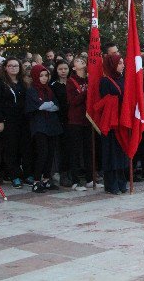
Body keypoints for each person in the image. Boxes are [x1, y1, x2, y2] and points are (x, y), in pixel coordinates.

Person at [0, 57, 31, 188]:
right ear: (5, 68)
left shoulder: (23, 82)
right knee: (11, 149)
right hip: (8, 121)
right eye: (10, 66)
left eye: (16, 66)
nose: (14, 68)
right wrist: (0, 121)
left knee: (25, 148)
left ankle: (27, 174)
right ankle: (14, 176)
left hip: (23, 120)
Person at [25, 65, 64, 193]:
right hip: (39, 125)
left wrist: (47, 105)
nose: (44, 78)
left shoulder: (49, 89)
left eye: (46, 75)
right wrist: (46, 105)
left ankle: (46, 179)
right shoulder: (32, 90)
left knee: (50, 153)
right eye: (41, 76)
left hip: (51, 125)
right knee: (42, 153)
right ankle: (36, 181)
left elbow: (56, 105)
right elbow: (37, 105)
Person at [66, 56, 99, 191]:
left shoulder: (89, 79)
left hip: (88, 119)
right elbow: (72, 101)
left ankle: (90, 179)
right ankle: (75, 181)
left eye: (83, 60)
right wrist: (86, 92)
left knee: (89, 150)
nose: (81, 62)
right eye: (78, 61)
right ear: (73, 67)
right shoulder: (71, 81)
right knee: (75, 151)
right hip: (76, 120)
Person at [98, 54, 128, 195]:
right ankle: (111, 183)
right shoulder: (105, 81)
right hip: (111, 122)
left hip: (122, 120)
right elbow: (106, 100)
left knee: (121, 151)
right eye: (120, 63)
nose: (123, 65)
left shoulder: (123, 79)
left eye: (123, 63)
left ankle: (122, 181)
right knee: (111, 152)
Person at [50, 60, 71, 187]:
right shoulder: (53, 85)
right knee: (61, 148)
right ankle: (62, 173)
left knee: (70, 148)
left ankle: (70, 172)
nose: (63, 71)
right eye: (60, 69)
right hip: (59, 120)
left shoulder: (72, 83)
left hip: (72, 119)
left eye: (65, 68)